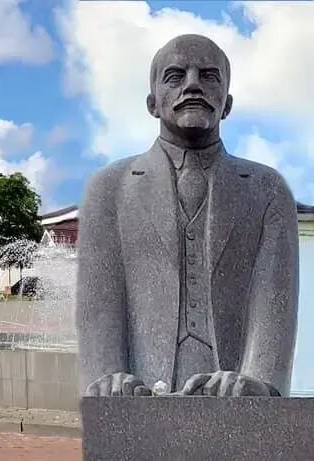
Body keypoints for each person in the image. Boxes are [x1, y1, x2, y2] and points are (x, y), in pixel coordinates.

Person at [75, 34, 298, 397]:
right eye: (176, 76)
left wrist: (259, 383)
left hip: (234, 395)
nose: (193, 85)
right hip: (141, 392)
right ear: (152, 103)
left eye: (209, 76)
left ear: (227, 103)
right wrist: (107, 380)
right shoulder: (110, 188)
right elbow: (99, 301)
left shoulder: (267, 189)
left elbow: (274, 299)